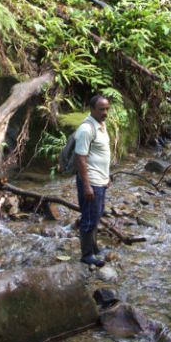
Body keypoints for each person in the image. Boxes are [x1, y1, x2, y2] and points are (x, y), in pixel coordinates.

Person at [74, 95, 111, 267]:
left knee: (96, 216)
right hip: (91, 182)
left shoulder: (101, 126)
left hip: (100, 181)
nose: (105, 112)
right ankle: (86, 255)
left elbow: (100, 155)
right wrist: (87, 185)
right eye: (101, 109)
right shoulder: (86, 129)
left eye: (107, 109)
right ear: (92, 109)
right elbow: (80, 158)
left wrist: (107, 177)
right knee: (89, 219)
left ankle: (94, 248)